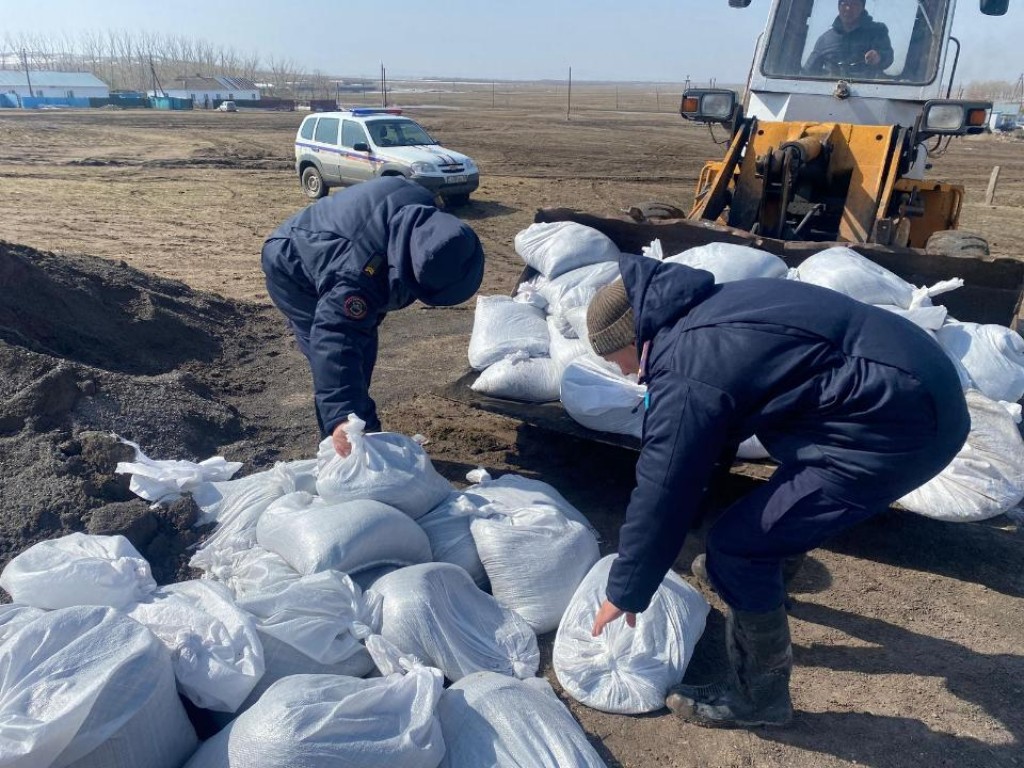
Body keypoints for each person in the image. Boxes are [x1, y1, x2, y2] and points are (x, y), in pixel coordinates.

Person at [587, 252, 969, 728]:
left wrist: (627, 589)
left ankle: (757, 697)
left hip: (896, 428)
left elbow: (663, 484)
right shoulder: (708, 309)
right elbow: (709, 441)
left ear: (632, 339)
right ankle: (761, 584)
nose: (623, 372)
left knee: (739, 549)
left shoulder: (686, 370)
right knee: (755, 529)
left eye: (614, 360)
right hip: (908, 385)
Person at [261, 176, 484, 456]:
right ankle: (343, 448)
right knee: (342, 361)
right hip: (292, 264)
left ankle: (364, 435)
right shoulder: (357, 275)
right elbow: (334, 342)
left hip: (328, 240)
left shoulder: (426, 215)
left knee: (360, 346)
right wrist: (343, 416)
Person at [803, 0, 894, 78]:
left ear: (862, 7)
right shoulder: (825, 39)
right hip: (830, 93)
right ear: (838, 7)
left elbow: (888, 57)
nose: (848, 8)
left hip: (868, 92)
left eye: (854, 4)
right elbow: (807, 72)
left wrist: (878, 57)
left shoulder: (877, 32)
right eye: (844, 3)